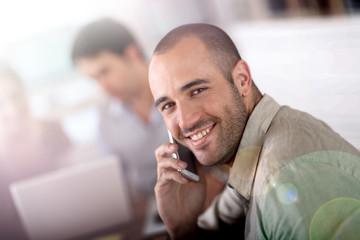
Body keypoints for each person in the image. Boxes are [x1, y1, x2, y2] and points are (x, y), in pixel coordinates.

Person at [148, 23, 360, 239]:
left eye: (198, 90)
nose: (184, 121)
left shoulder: (287, 182)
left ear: (242, 80)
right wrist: (181, 226)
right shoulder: (252, 156)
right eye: (168, 105)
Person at [71, 18, 170, 194]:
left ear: (132, 54)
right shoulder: (106, 117)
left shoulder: (180, 85)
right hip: (156, 207)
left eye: (105, 72)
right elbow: (115, 184)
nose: (103, 87)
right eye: (94, 79)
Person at [0, 62, 71, 239]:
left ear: (24, 91)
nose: (12, 108)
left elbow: (76, 186)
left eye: (15, 96)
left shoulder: (53, 131)